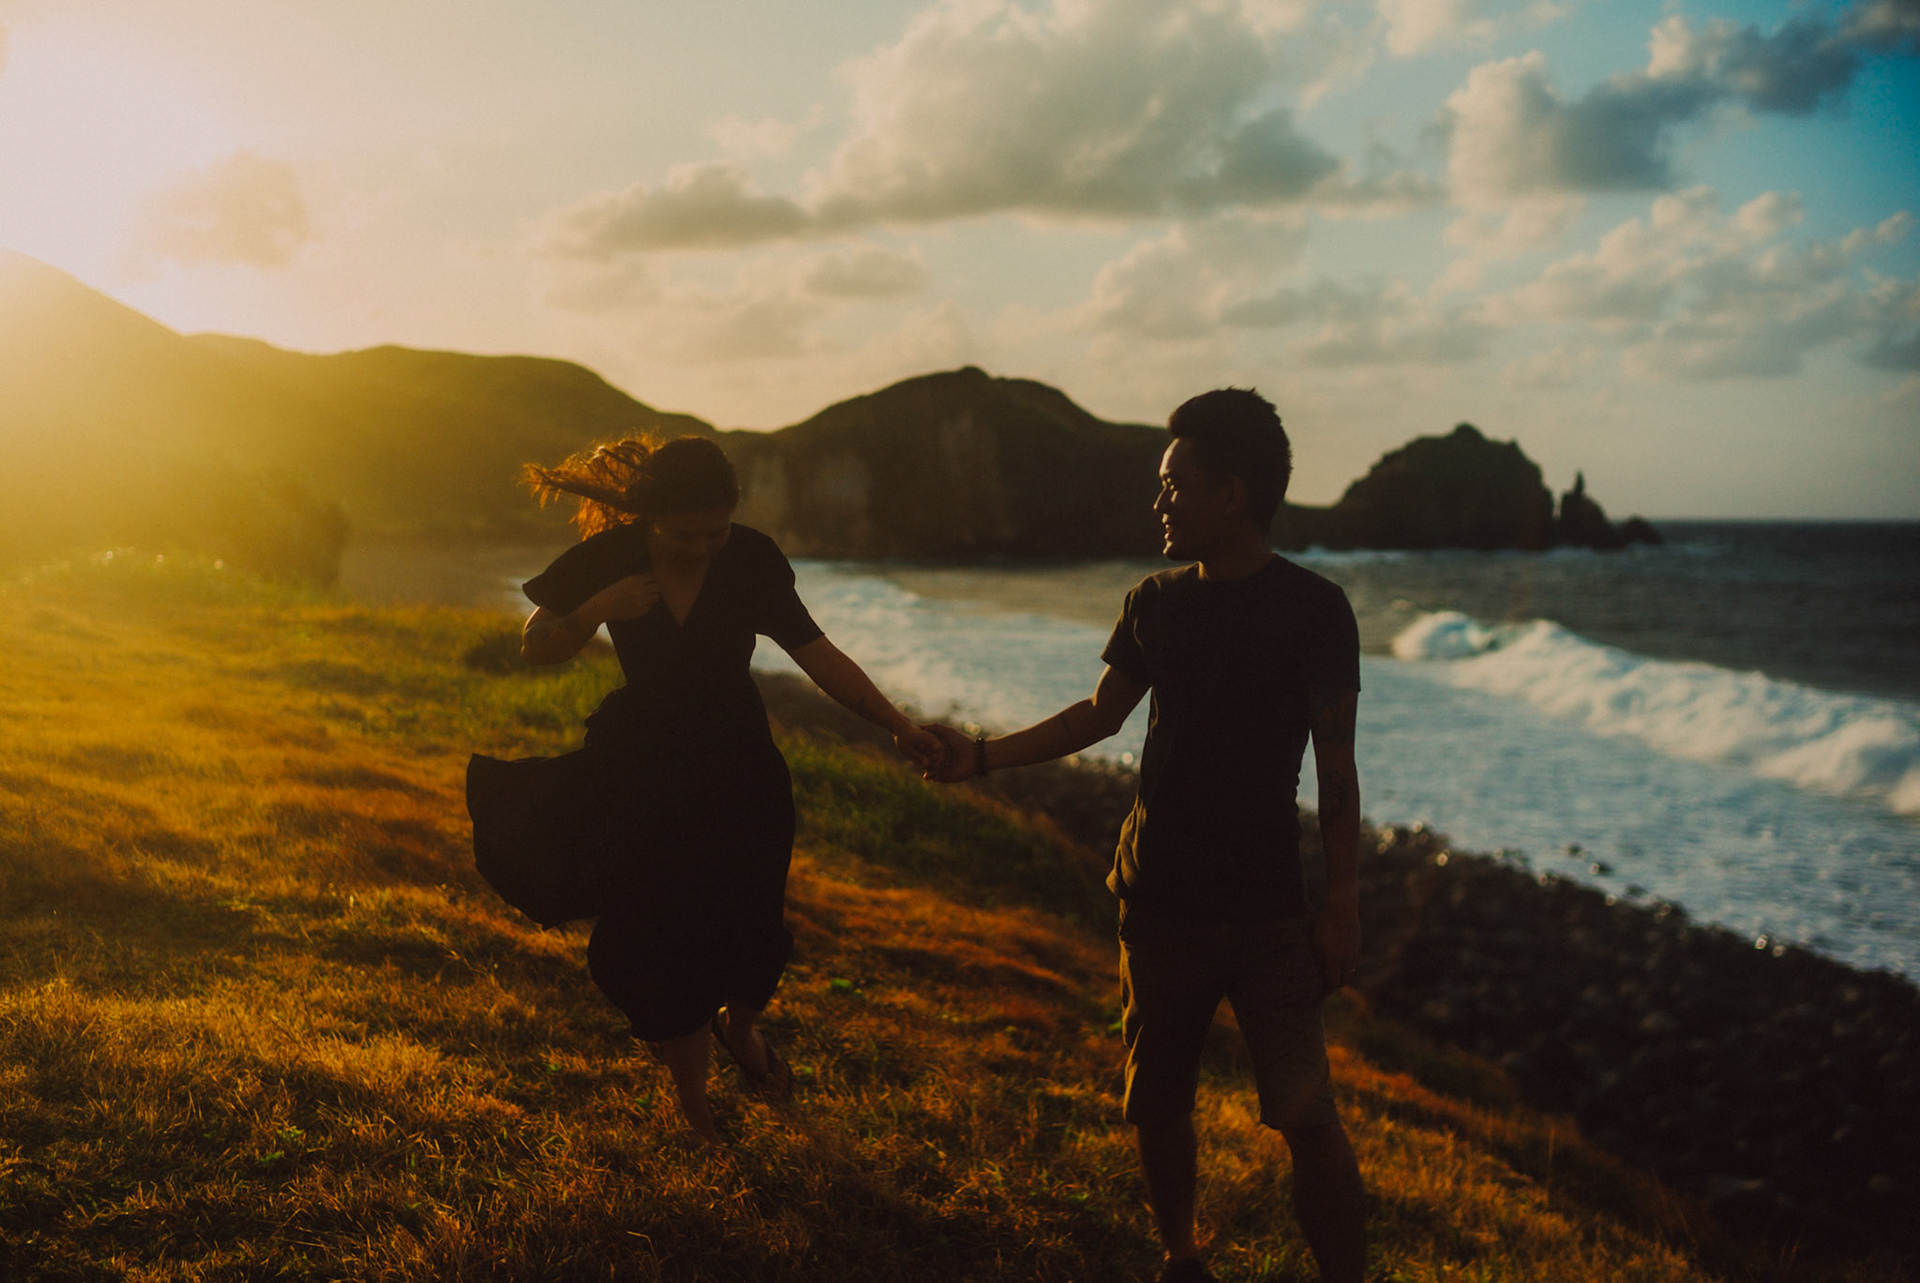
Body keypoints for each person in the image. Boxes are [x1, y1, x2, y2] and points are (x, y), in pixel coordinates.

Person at [922, 389, 1367, 1283]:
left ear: (1231, 494)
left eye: (1175, 485)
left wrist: (1342, 906)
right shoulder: (1154, 602)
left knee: (1306, 1117)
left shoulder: (1316, 610)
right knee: (1158, 1101)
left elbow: (1337, 769)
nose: (1159, 501)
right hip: (1157, 900)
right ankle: (1182, 1259)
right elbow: (1098, 715)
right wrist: (981, 756)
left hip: (1269, 913)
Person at [496, 435, 944, 1149]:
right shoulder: (609, 557)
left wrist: (897, 723)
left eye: (717, 531)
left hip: (741, 767)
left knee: (752, 922)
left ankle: (740, 1026)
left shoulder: (753, 559)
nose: (703, 547)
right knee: (665, 935)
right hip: (645, 770)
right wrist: (597, 609)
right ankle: (697, 1110)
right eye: (685, 534)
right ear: (649, 518)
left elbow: (817, 652)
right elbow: (536, 644)